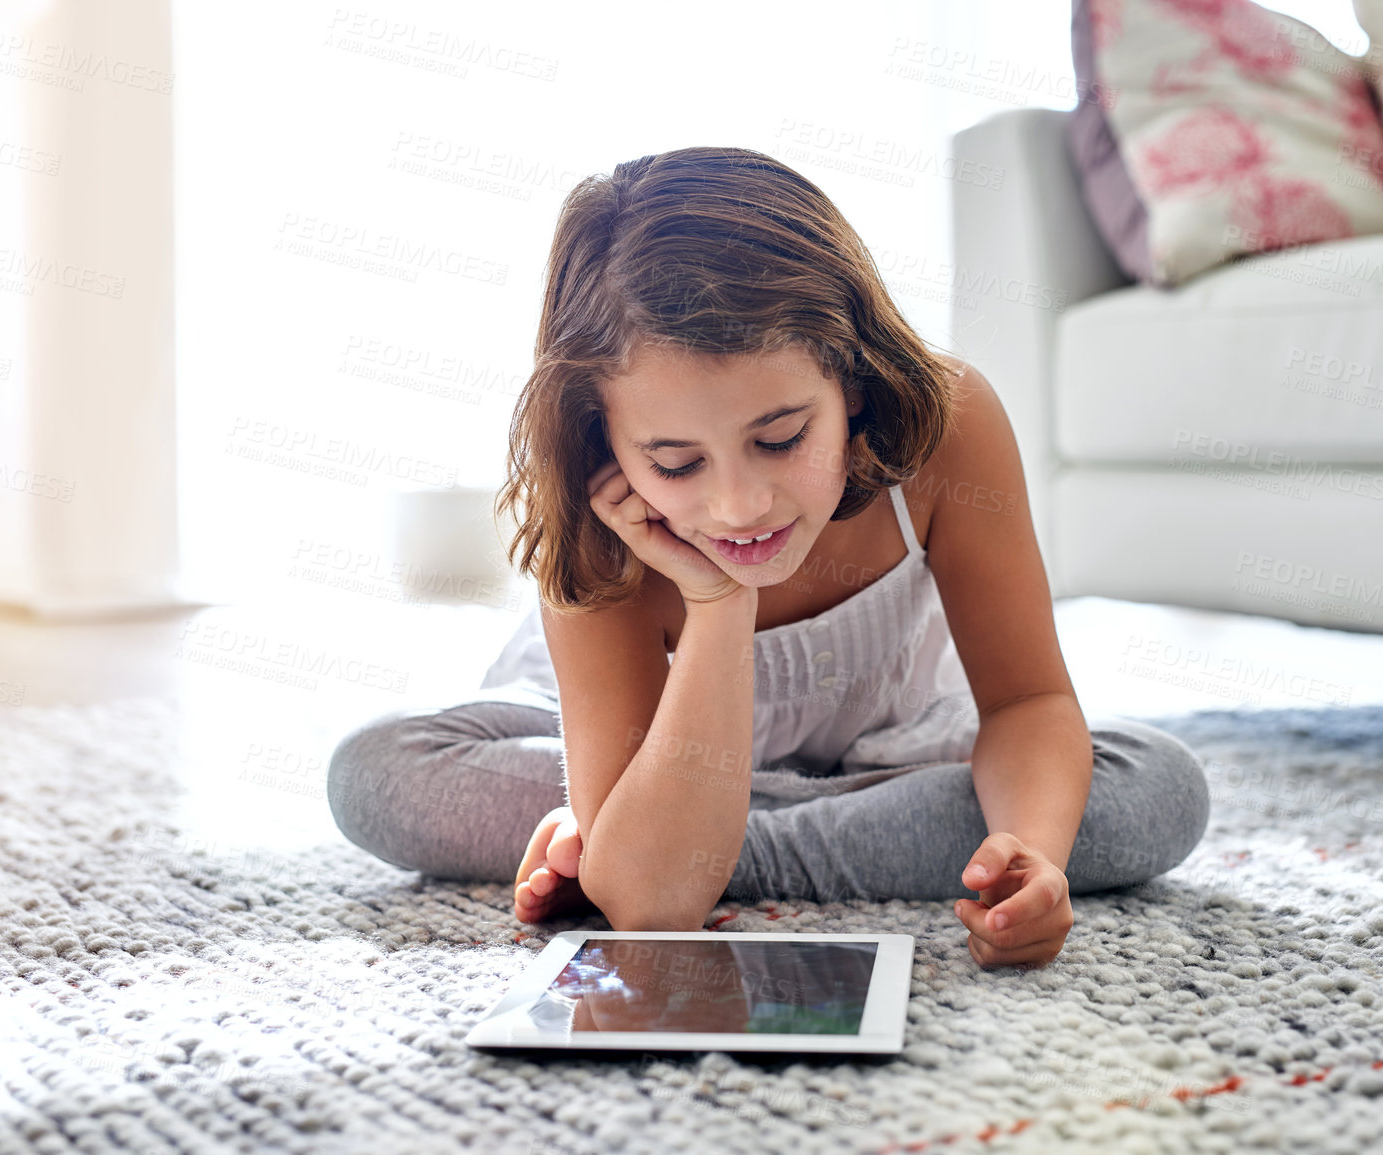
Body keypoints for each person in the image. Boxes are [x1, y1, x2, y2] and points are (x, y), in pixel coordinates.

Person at [326, 146, 1210, 968]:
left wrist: (1034, 854)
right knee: (379, 771)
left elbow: (1026, 699)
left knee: (1154, 788)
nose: (739, 506)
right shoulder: (598, 518)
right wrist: (717, 606)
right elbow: (649, 910)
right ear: (607, 441)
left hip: (887, 747)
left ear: (855, 384)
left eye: (782, 438)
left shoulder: (950, 421)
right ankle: (665, 831)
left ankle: (673, 840)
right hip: (652, 758)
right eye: (675, 464)